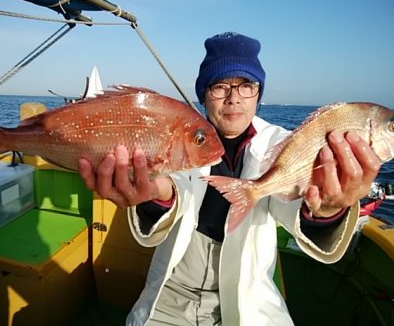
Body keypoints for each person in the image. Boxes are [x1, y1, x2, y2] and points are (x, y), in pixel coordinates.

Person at [78, 32, 380, 325]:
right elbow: (176, 186)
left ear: (258, 93)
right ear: (204, 95)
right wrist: (157, 194)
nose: (234, 98)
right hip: (170, 292)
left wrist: (327, 208)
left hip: (248, 301)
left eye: (246, 85)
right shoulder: (179, 133)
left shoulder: (283, 144)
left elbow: (291, 203)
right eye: (220, 86)